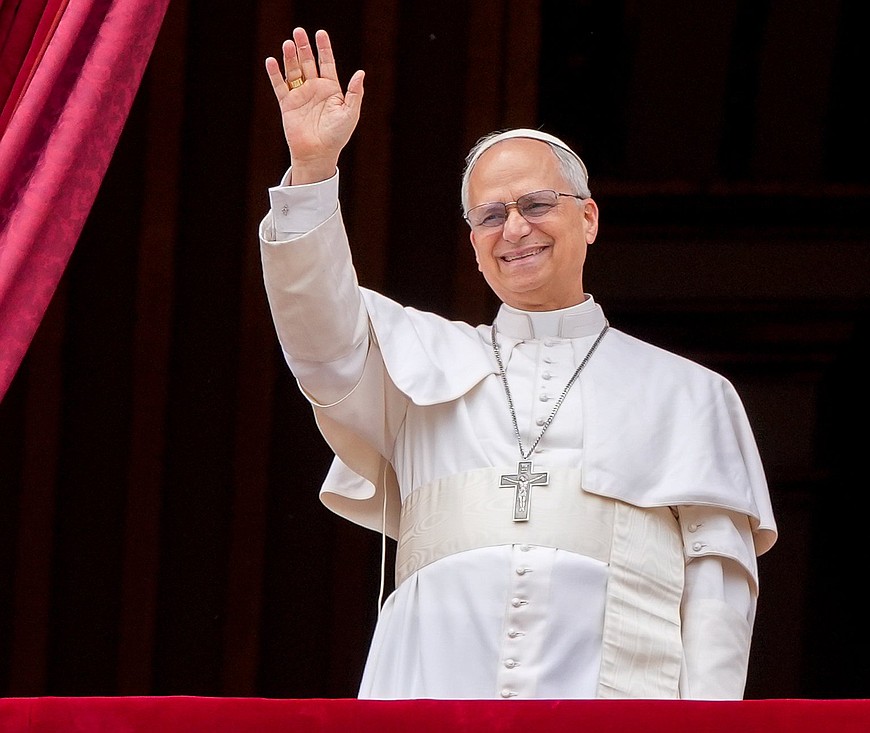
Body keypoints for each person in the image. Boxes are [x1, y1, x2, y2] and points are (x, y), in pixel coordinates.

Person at [258, 27, 777, 700]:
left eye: (536, 204)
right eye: (490, 215)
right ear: (473, 243)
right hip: (432, 694)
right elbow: (320, 337)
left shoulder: (690, 394)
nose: (515, 229)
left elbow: (718, 593)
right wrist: (312, 172)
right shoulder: (417, 362)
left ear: (588, 218)